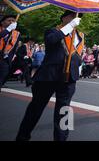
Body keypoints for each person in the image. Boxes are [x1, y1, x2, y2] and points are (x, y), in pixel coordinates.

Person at [16, 10, 84, 141]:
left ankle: (61, 139)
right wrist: (69, 27)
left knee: (64, 111)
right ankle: (22, 136)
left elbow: (78, 54)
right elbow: (51, 40)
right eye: (71, 16)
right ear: (63, 18)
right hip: (48, 76)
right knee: (36, 108)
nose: (75, 18)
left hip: (69, 78)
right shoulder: (53, 31)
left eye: (77, 17)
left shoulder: (80, 35)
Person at [0, 15, 20, 92]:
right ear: (2, 22)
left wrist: (11, 58)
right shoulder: (4, 30)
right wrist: (8, 29)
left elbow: (14, 47)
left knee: (3, 75)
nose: (11, 22)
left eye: (13, 21)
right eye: (9, 20)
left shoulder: (17, 33)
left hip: (5, 59)